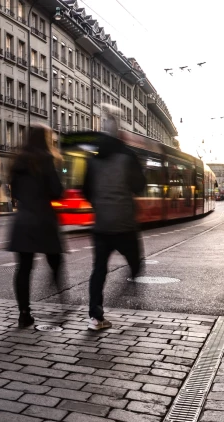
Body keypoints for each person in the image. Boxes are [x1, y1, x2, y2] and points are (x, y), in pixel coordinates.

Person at [83, 109, 146, 331]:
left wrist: (100, 204)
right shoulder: (128, 156)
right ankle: (130, 285)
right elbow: (140, 186)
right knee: (136, 261)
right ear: (118, 134)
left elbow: (85, 191)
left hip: (101, 225)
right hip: (125, 224)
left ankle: (96, 317)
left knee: (98, 270)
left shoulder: (92, 161)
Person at [7, 125, 64, 328]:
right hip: (43, 219)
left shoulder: (17, 161)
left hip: (22, 220)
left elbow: (14, 190)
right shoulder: (46, 159)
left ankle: (24, 313)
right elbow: (56, 191)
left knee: (23, 268)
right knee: (56, 260)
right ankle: (62, 299)